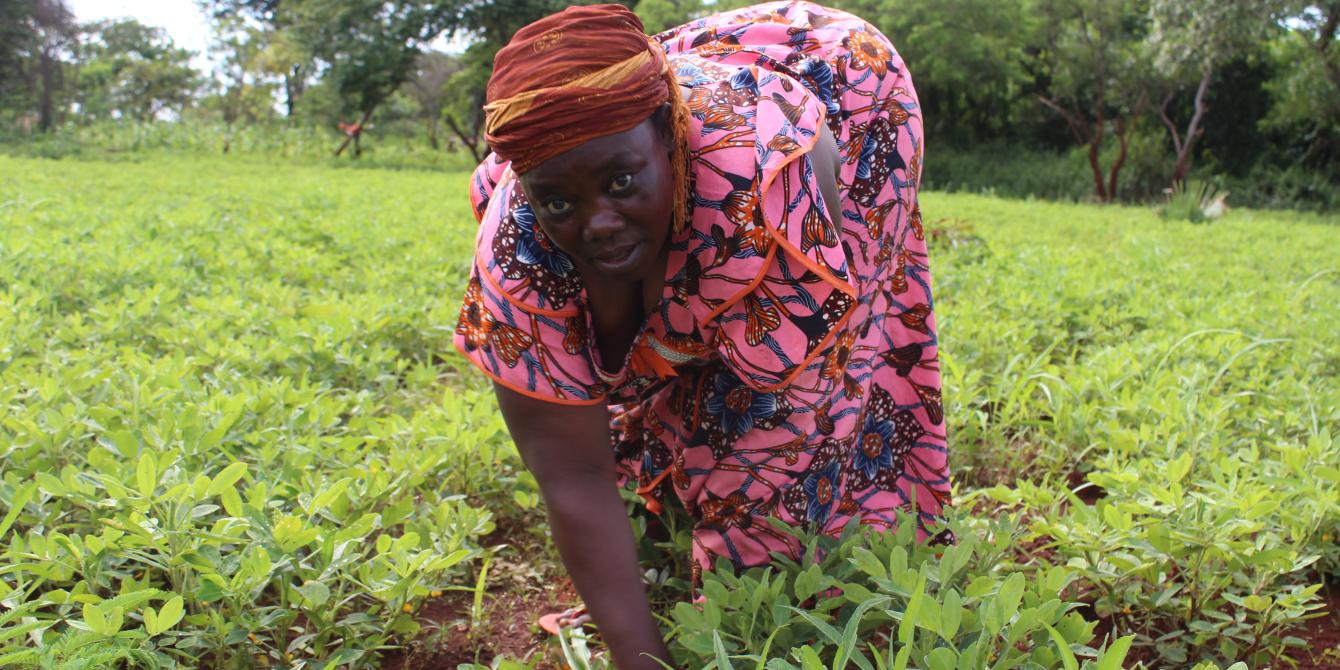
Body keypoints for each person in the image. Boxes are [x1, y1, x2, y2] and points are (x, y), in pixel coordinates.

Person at [453, 2, 950, 667]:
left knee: (759, 440)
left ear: (669, 134)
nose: (597, 223)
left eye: (620, 182)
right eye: (561, 202)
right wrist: (640, 657)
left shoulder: (768, 173)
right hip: (669, 105)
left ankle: (837, 539)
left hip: (848, 93)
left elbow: (781, 384)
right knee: (640, 353)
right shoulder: (518, 255)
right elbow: (570, 471)